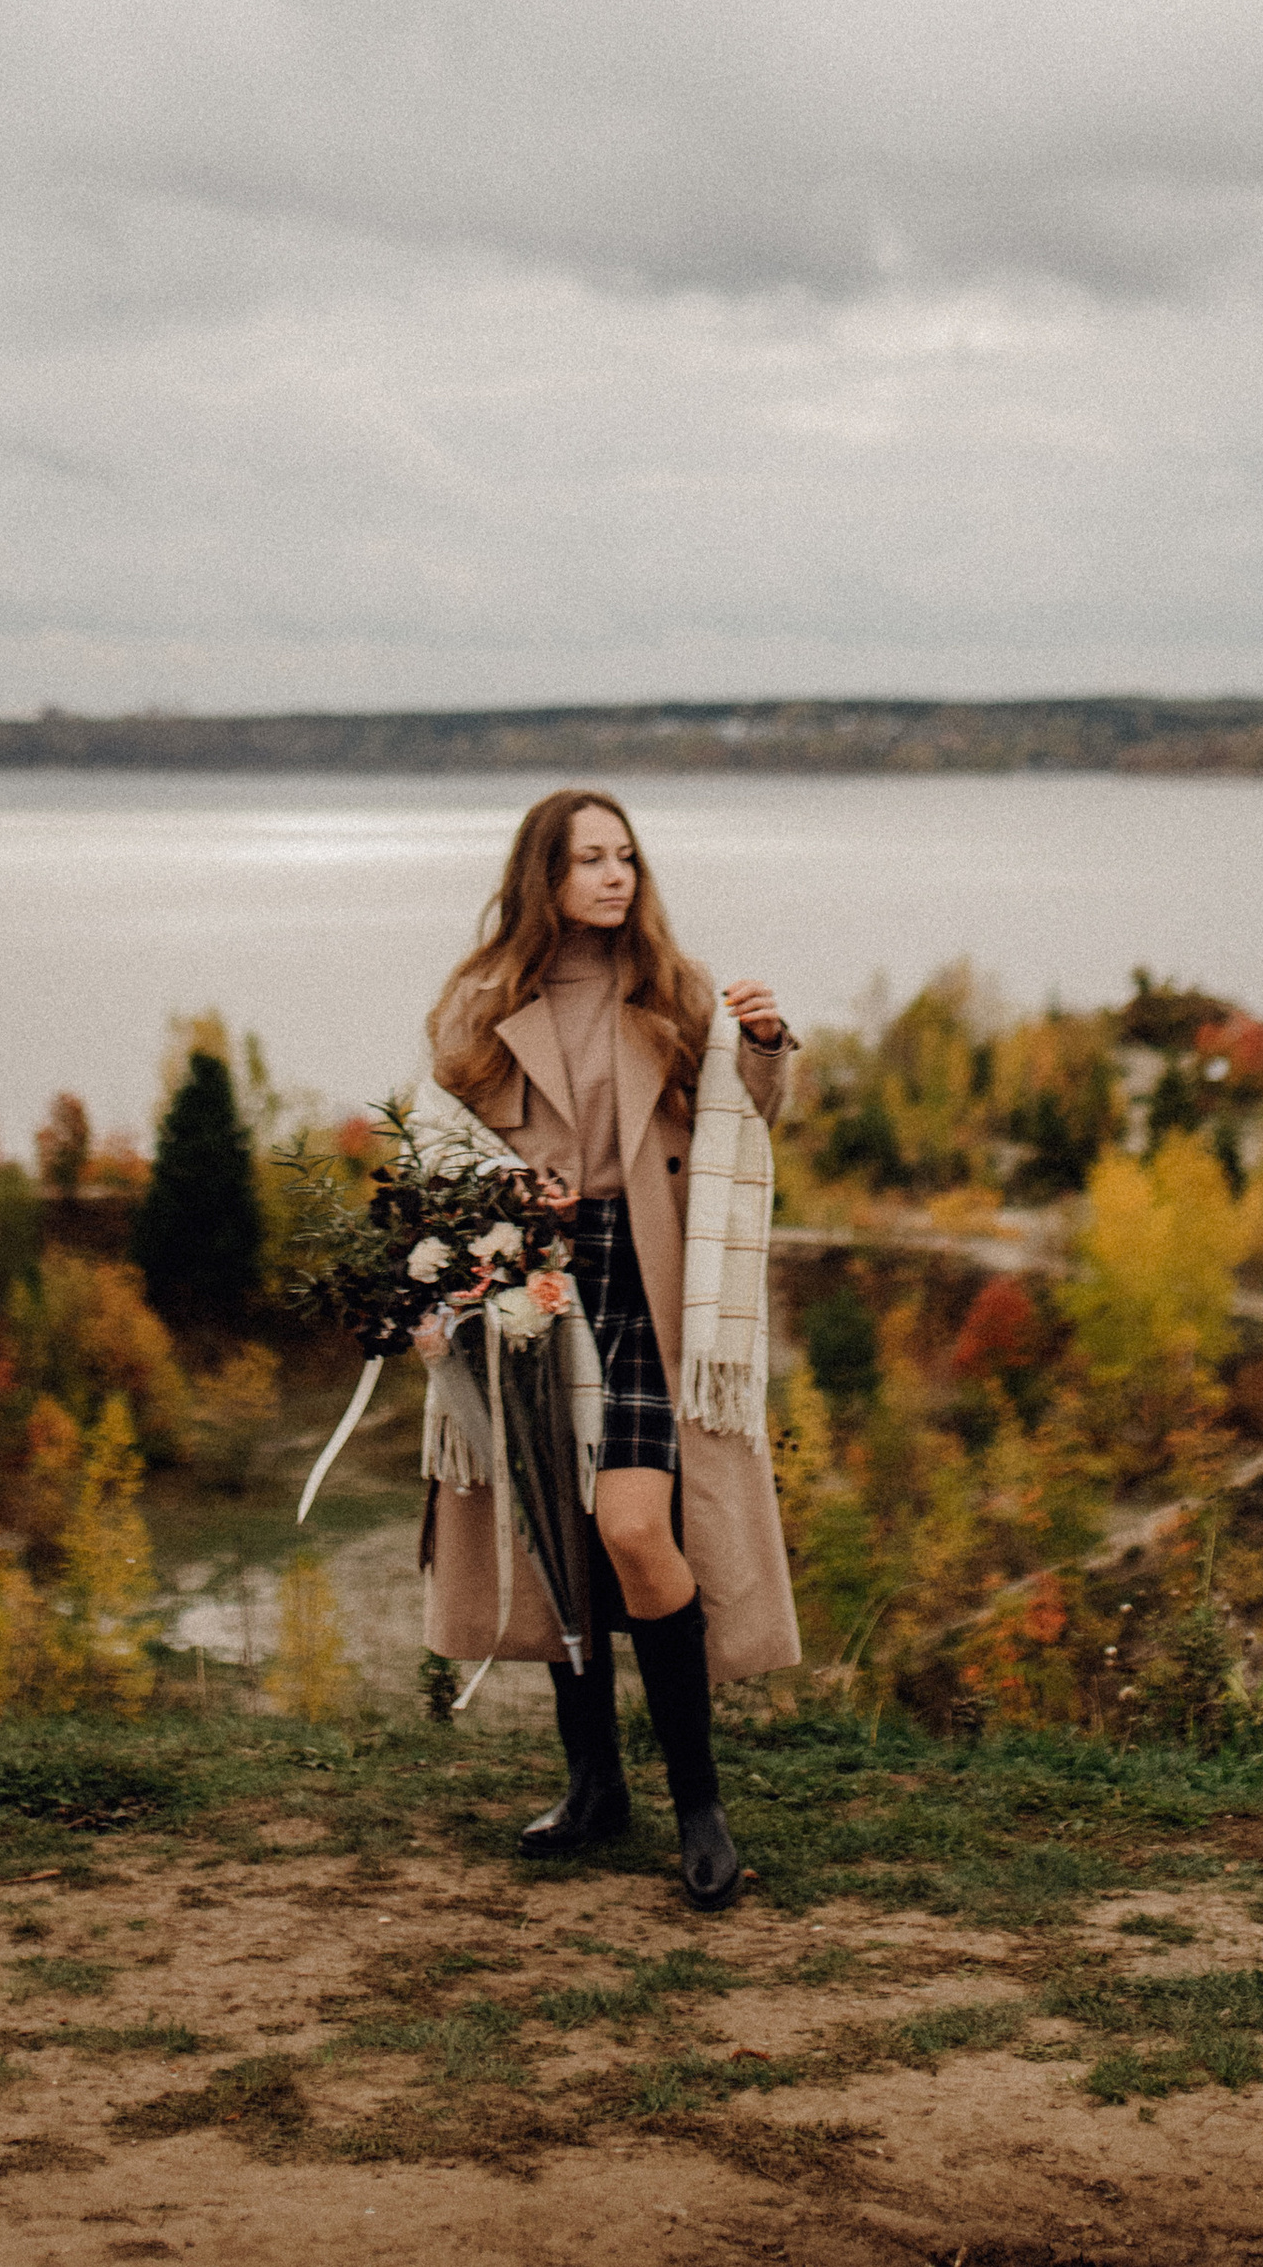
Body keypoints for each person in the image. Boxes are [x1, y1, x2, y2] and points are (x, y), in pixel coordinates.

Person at [423, 788, 799, 1908]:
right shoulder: (481, 1004)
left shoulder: (674, 993)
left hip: (644, 1284)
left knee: (634, 1527)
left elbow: (746, 1113)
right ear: (543, 875)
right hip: (533, 1286)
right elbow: (443, 1147)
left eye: (625, 856)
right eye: (589, 859)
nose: (613, 876)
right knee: (558, 1537)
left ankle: (701, 1806)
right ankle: (595, 1789)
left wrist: (768, 1044)